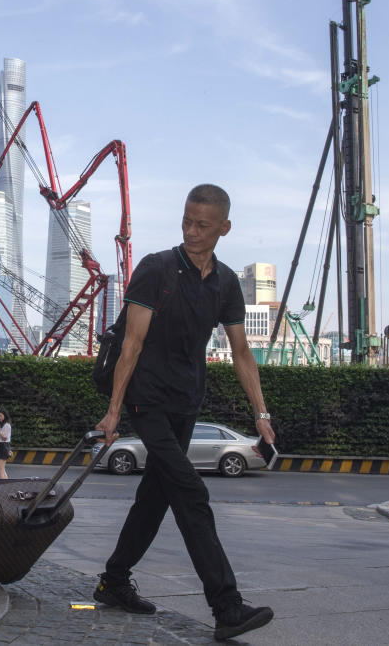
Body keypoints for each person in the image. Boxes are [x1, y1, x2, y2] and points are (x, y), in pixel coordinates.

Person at [93, 184, 277, 642]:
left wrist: (261, 414)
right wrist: (114, 412)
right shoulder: (156, 269)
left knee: (155, 497)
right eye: (187, 222)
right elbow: (131, 344)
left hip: (186, 401)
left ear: (224, 229)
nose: (192, 232)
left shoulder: (226, 282)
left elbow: (241, 352)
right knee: (191, 493)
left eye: (203, 225)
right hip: (147, 399)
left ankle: (114, 581)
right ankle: (227, 607)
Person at [0, 407, 12, 479]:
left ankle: (4, 486)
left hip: (3, 446)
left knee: (0, 470)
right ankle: (5, 485)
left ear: (4, 415)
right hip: (0, 446)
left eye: (0, 415)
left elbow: (4, 438)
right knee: (2, 469)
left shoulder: (7, 425)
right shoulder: (1, 425)